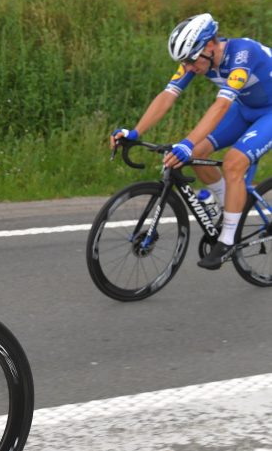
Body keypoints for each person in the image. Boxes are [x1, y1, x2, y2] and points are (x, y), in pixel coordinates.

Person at [110, 13, 272, 269]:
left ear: (210, 46)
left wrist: (185, 143)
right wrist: (135, 132)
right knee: (197, 153)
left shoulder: (242, 55)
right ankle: (226, 205)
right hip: (245, 108)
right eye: (183, 62)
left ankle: (228, 240)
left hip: (269, 112)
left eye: (190, 60)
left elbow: (221, 106)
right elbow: (168, 95)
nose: (188, 67)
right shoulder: (197, 59)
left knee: (233, 163)